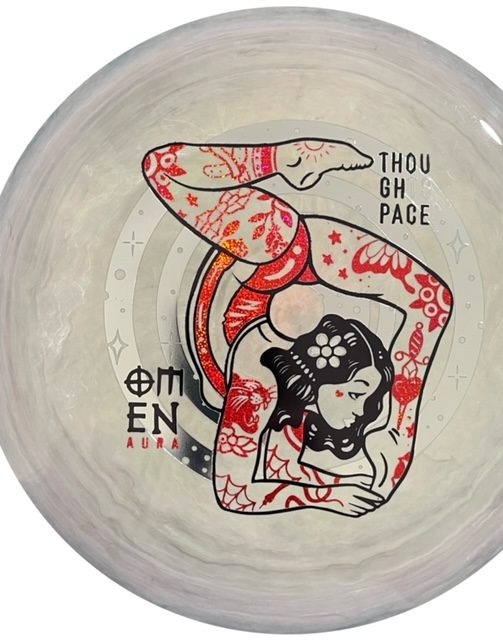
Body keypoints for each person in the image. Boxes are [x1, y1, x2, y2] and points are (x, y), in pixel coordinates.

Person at [142, 138, 453, 516]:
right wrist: (397, 429)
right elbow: (434, 302)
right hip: (296, 262)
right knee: (428, 298)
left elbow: (237, 490)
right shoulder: (300, 257)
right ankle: (285, 159)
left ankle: (285, 161)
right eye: (362, 395)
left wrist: (334, 494)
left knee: (169, 173)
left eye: (363, 398)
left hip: (268, 275)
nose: (363, 412)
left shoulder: (259, 380)